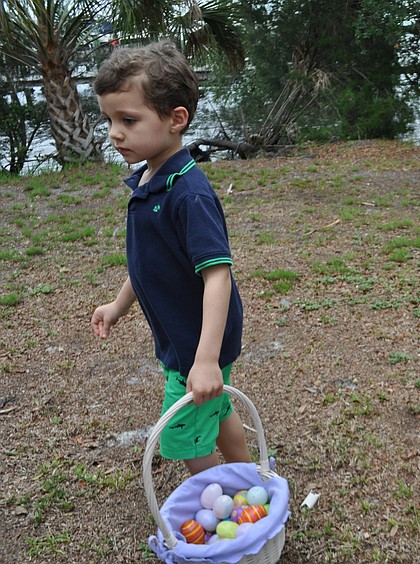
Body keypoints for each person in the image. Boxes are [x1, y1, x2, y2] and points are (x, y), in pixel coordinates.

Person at [90, 41, 251, 475]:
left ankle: (218, 500)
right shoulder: (150, 178)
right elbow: (150, 261)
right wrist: (119, 305)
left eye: (128, 120)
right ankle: (249, 475)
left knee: (184, 437)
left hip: (197, 342)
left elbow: (218, 276)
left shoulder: (188, 194)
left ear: (176, 119)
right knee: (215, 409)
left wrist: (205, 360)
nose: (114, 133)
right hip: (184, 337)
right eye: (109, 120)